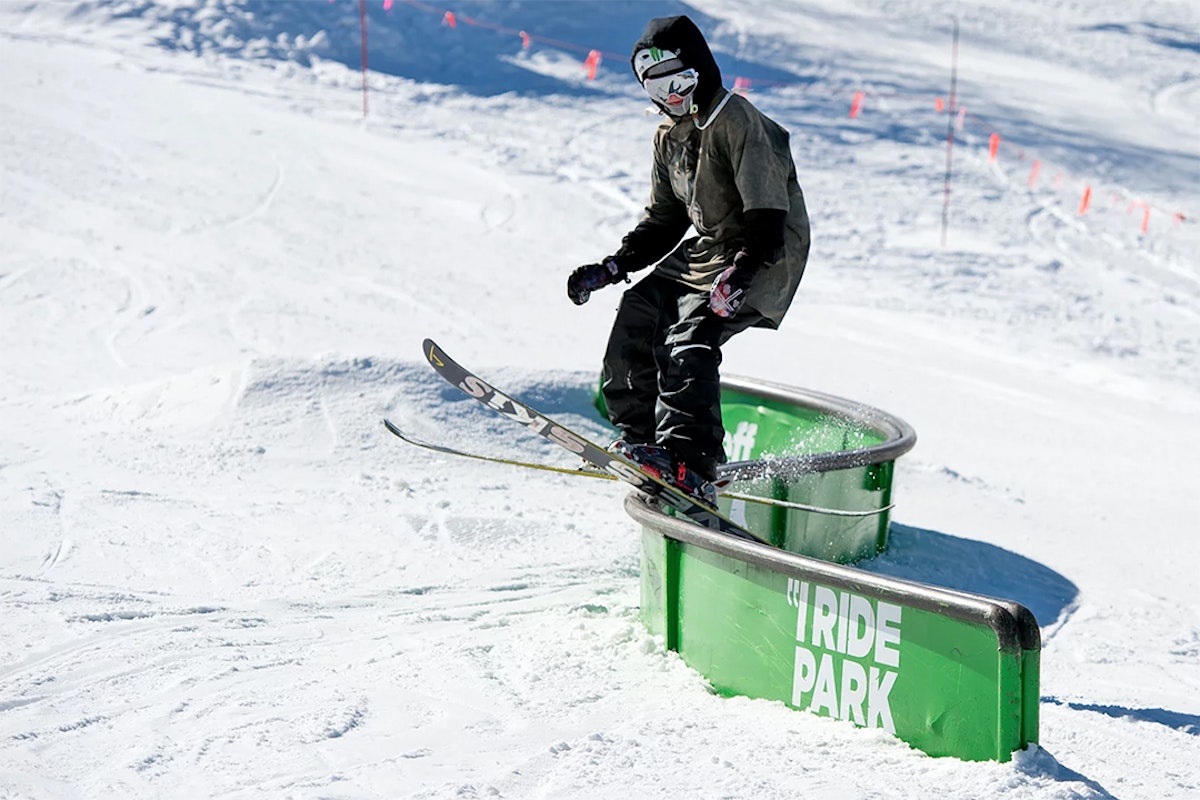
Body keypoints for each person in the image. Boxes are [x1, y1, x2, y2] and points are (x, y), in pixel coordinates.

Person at [567, 15, 810, 509]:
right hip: (706, 251)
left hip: (764, 250)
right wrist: (615, 266)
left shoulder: (738, 120)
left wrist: (741, 273)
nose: (671, 98)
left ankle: (690, 461)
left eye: (679, 82)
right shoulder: (668, 138)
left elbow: (767, 214)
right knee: (640, 310)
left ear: (699, 70)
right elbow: (665, 220)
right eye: (658, 89)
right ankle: (642, 441)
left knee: (689, 336)